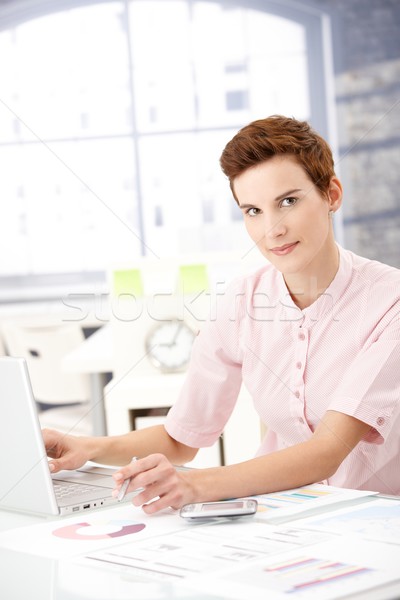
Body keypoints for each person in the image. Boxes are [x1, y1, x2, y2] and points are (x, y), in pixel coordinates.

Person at [44, 115, 400, 514]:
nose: (272, 230)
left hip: (378, 525)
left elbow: (327, 452)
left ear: (331, 194)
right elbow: (183, 438)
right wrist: (88, 447)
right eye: (253, 211)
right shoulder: (240, 302)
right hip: (284, 520)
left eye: (288, 202)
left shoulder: (390, 303)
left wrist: (194, 486)